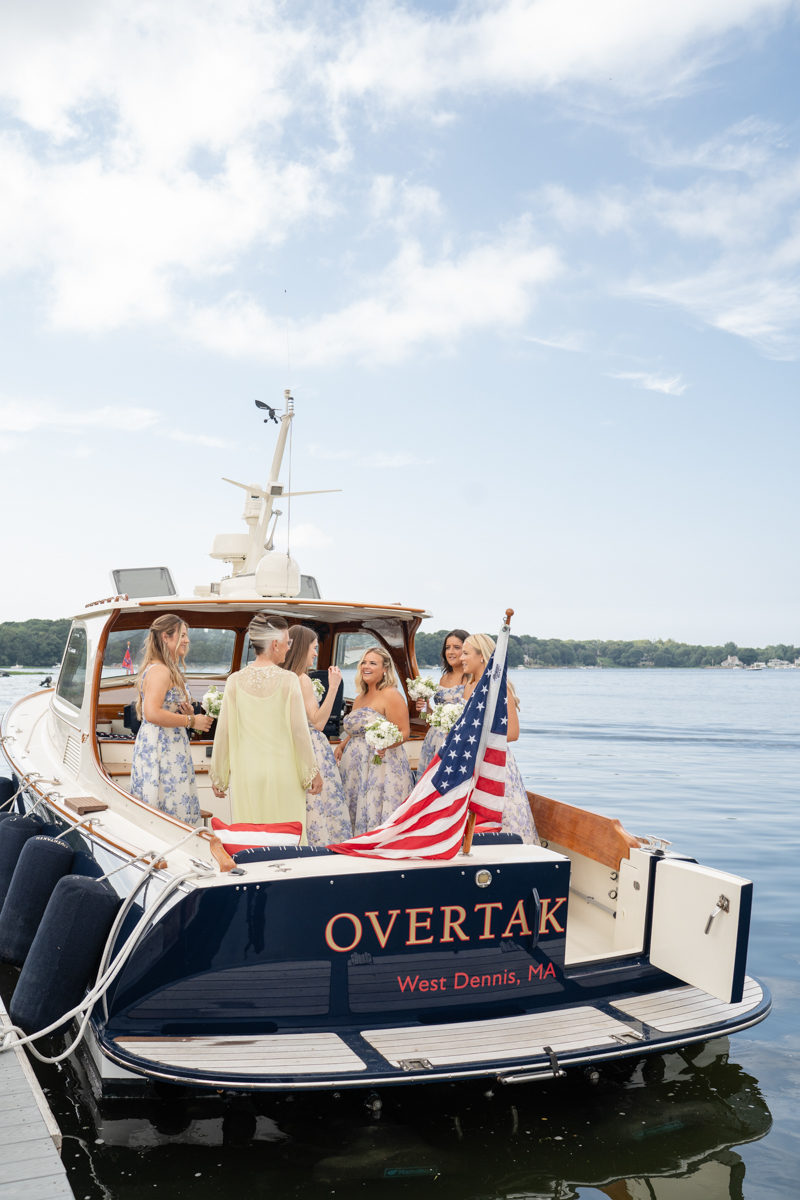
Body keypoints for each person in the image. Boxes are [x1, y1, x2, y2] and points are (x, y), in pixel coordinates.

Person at [210, 614, 322, 842]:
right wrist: (312, 771)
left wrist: (219, 775)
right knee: (288, 840)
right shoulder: (289, 680)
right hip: (284, 774)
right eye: (288, 642)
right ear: (275, 644)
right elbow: (299, 732)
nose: (289, 648)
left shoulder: (234, 680)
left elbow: (224, 732)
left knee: (250, 840)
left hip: (247, 775)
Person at [130, 615, 213, 825]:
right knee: (168, 803)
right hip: (162, 747)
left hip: (168, 743)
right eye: (182, 635)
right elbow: (152, 713)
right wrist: (191, 722)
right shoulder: (160, 670)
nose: (187, 640)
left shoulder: (162, 668)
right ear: (166, 637)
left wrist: (183, 713)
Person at [461, 633, 538, 844]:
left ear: (482, 657)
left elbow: (512, 732)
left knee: (497, 816)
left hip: (493, 763)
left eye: (466, 653)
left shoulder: (499, 689)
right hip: (468, 763)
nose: (461, 658)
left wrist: (475, 738)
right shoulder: (467, 686)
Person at [282, 625, 352, 845]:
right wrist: (333, 687)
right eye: (313, 648)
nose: (315, 654)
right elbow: (319, 722)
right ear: (302, 648)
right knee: (318, 804)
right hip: (311, 748)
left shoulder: (281, 677)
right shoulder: (301, 679)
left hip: (285, 748)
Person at [334, 646, 413, 836]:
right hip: (355, 766)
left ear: (385, 669)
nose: (366, 667)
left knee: (375, 807)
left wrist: (385, 744)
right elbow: (358, 731)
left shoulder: (390, 694)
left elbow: (404, 732)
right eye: (364, 662)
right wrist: (342, 745)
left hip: (379, 765)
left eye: (373, 663)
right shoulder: (360, 697)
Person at [415, 628, 469, 777]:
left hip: (455, 739)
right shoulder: (444, 678)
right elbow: (437, 717)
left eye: (456, 647)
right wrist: (426, 709)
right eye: (447, 647)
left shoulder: (471, 679)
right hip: (434, 737)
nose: (451, 651)